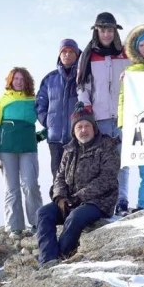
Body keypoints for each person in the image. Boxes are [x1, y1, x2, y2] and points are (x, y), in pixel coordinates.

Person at [36, 102, 120, 267]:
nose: (83, 130)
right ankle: (47, 260)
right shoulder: (69, 149)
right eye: (79, 127)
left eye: (87, 126)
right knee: (43, 213)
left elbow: (107, 179)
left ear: (93, 128)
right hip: (70, 201)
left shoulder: (107, 146)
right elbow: (59, 177)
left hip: (98, 202)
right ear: (74, 131)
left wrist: (78, 197)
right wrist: (60, 197)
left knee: (76, 217)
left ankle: (61, 255)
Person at [76, 12, 131, 216]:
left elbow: (138, 74)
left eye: (110, 30)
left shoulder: (126, 52)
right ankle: (104, 201)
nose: (106, 34)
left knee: (123, 159)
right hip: (99, 117)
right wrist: (87, 108)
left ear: (115, 31)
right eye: (102, 30)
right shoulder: (88, 55)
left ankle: (122, 201)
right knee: (102, 162)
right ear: (96, 31)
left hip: (124, 115)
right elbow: (82, 86)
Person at [0, 67, 43, 240]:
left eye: (22, 79)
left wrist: (42, 135)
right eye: (16, 78)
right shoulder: (3, 100)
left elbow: (50, 119)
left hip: (28, 149)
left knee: (30, 185)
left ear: (27, 82)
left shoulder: (34, 100)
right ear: (10, 81)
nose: (19, 81)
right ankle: (14, 227)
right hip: (6, 150)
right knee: (11, 188)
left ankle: (37, 222)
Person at [118, 24, 144, 211]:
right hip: (137, 124)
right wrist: (122, 121)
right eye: (141, 45)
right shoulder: (130, 72)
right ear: (136, 48)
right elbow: (123, 98)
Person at [35, 39, 82, 199]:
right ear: (59, 54)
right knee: (57, 176)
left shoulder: (83, 77)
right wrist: (47, 121)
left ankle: (76, 210)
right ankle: (59, 209)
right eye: (64, 52)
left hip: (76, 138)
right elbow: (40, 104)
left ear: (77, 55)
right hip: (54, 138)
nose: (67, 55)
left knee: (77, 175)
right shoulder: (50, 79)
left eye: (71, 52)